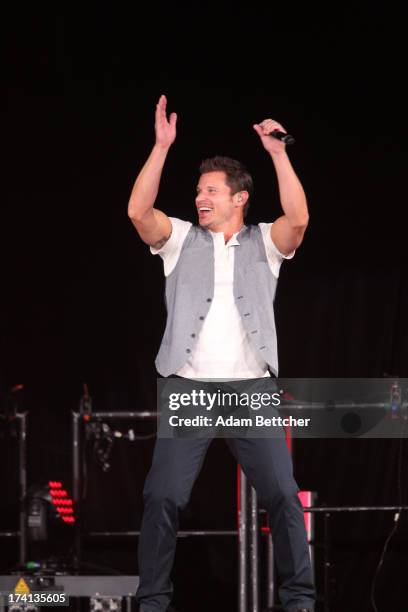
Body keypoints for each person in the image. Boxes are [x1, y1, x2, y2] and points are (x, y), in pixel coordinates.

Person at [128, 94, 315, 612]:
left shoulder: (264, 243)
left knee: (282, 495)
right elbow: (138, 211)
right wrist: (161, 147)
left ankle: (299, 601)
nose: (200, 197)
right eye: (197, 190)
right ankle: (153, 602)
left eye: (211, 190)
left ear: (239, 199)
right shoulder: (180, 239)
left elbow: (297, 220)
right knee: (163, 497)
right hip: (188, 390)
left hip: (251, 390)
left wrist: (278, 154)